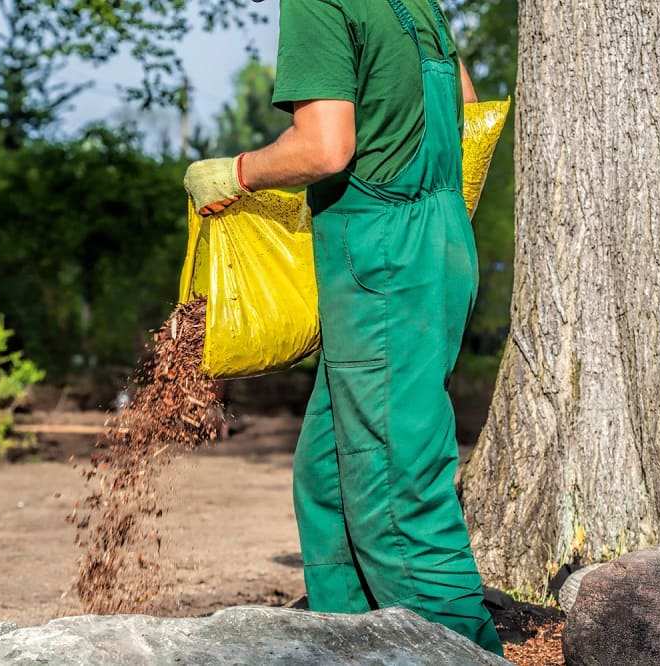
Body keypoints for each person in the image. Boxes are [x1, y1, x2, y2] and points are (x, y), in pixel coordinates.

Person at [183, 0, 502, 656]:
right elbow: (464, 108)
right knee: (329, 478)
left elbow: (326, 147)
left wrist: (236, 173)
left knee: (395, 491)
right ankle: (357, 650)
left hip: (381, 257)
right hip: (439, 241)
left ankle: (462, 651)